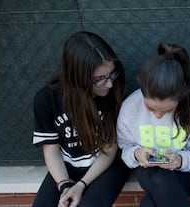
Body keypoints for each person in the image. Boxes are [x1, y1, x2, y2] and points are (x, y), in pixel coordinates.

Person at [32, 31, 128, 207]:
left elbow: (109, 150)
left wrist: (81, 185)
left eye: (112, 74)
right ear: (77, 77)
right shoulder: (47, 98)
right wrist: (65, 185)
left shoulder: (114, 95)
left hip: (106, 165)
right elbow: (51, 151)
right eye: (99, 79)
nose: (109, 84)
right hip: (67, 165)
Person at [116, 42, 190, 207]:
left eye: (167, 111)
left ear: (180, 98)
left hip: (186, 171)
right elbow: (125, 149)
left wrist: (179, 160)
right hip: (149, 171)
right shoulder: (130, 107)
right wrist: (137, 154)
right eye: (151, 108)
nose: (158, 116)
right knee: (158, 177)